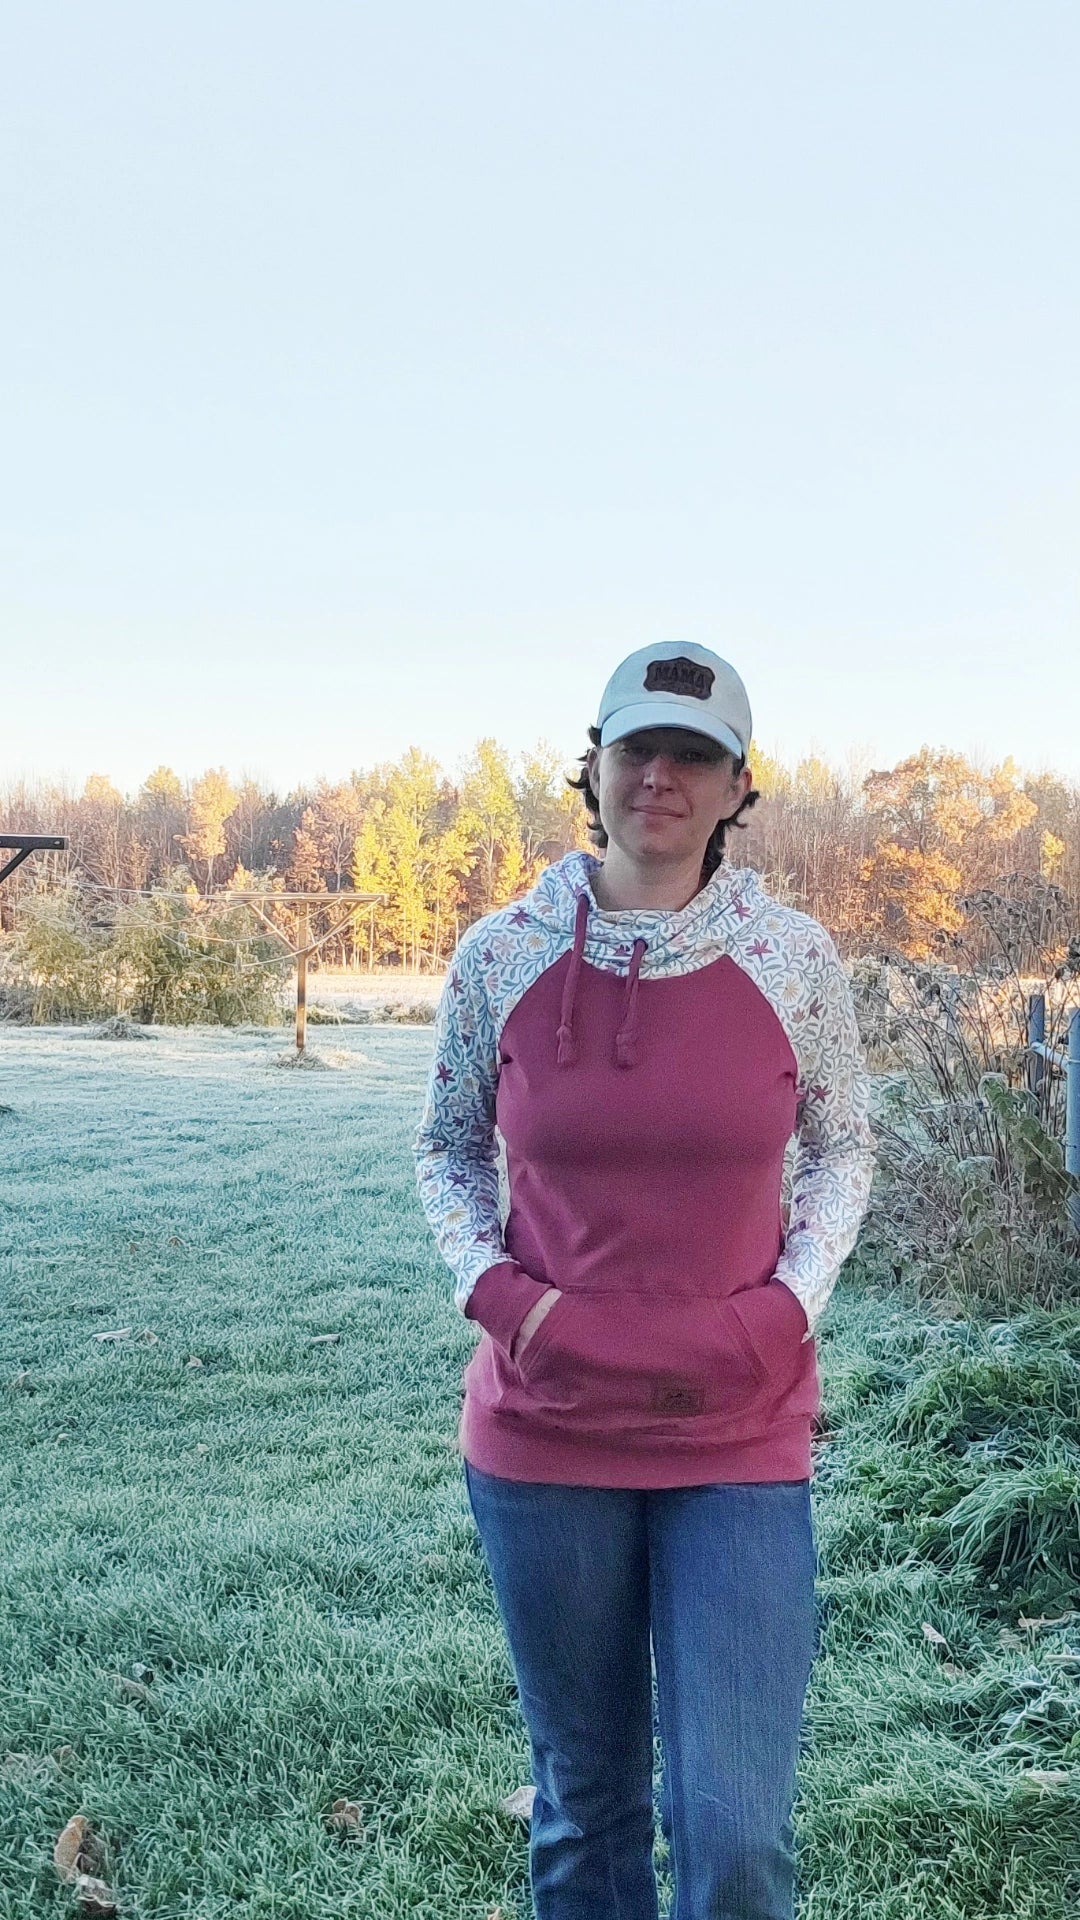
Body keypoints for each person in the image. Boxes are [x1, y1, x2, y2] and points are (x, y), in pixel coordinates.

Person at [412, 641, 876, 1920]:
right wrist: (502, 1298)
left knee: (733, 1831)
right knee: (587, 1805)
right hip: (544, 1430)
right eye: (638, 750)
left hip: (738, 1427)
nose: (661, 776)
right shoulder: (498, 956)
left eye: (695, 755)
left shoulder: (795, 963)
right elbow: (446, 1148)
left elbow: (845, 1149)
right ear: (596, 769)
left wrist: (787, 1307)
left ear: (737, 788)